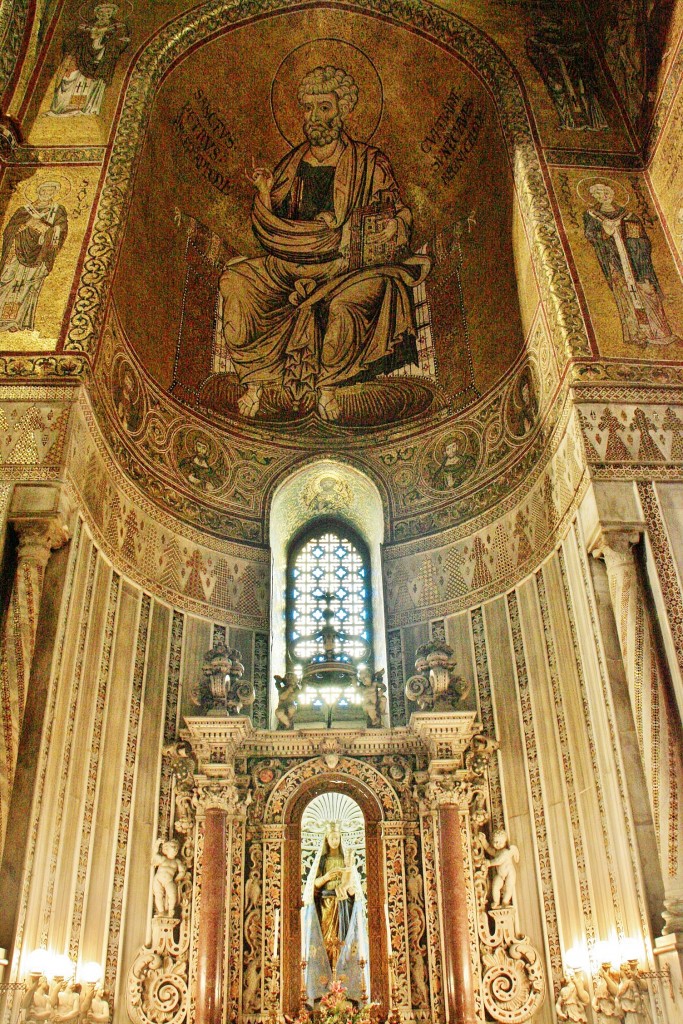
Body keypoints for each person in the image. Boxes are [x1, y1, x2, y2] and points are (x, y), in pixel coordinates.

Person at [219, 65, 429, 421]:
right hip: (289, 262)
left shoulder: (368, 161)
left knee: (348, 304)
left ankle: (328, 387)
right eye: (309, 108)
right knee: (235, 283)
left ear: (342, 110)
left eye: (324, 107)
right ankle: (254, 382)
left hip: (345, 265)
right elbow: (272, 225)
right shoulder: (293, 161)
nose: (315, 116)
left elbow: (397, 211)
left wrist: (394, 225)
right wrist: (265, 192)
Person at [583, 182, 679, 349]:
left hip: (636, 264)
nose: (603, 195)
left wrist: (633, 245)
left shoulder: (628, 215)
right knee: (625, 294)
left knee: (648, 292)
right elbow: (591, 235)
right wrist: (605, 231)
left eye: (605, 191)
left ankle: (660, 333)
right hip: (614, 262)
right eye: (598, 194)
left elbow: (641, 240)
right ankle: (637, 334)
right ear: (594, 197)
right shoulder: (592, 215)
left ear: (612, 192)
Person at [301, 823, 369, 1003]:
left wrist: (348, 886)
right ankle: (324, 987)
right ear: (326, 839)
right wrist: (326, 877)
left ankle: (343, 985)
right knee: (326, 941)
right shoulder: (322, 860)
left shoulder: (346, 860)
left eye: (337, 837)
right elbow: (312, 886)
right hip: (326, 904)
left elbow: (354, 885)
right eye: (331, 837)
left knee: (343, 941)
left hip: (342, 904)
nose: (334, 840)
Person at [0, 181, 68, 332]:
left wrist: (49, 230)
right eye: (44, 191)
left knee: (29, 285)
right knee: (8, 280)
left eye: (50, 192)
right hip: (17, 253)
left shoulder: (58, 210)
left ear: (54, 194)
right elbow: (9, 230)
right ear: (38, 192)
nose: (46, 194)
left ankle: (18, 321)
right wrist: (26, 225)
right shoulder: (23, 210)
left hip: (40, 254)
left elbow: (62, 229)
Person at [50, 4, 131, 117]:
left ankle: (90, 108)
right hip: (82, 56)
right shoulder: (86, 26)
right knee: (69, 77)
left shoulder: (119, 27)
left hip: (103, 60)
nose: (104, 15)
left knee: (97, 83)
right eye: (101, 12)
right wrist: (89, 37)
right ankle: (59, 107)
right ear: (96, 13)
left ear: (112, 13)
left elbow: (121, 42)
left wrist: (106, 43)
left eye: (108, 12)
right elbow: (72, 39)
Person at [152, 838, 186, 915]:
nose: (175, 849)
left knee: (173, 895)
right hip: (158, 879)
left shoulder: (177, 862)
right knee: (158, 895)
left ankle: (171, 910)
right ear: (167, 848)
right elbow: (154, 855)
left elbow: (182, 872)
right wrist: (157, 843)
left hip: (169, 880)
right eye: (173, 846)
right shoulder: (163, 859)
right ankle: (161, 911)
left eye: (176, 847)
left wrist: (176, 880)